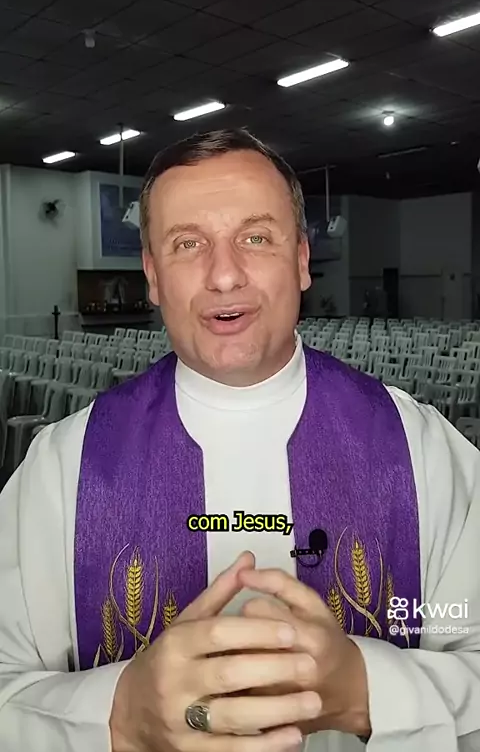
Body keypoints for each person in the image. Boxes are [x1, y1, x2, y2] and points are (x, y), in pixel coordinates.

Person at [0, 128, 479, 752]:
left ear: (302, 260)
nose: (224, 275)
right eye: (188, 244)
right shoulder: (64, 465)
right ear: (151, 276)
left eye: (255, 237)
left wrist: (368, 690)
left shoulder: (420, 448)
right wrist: (116, 716)